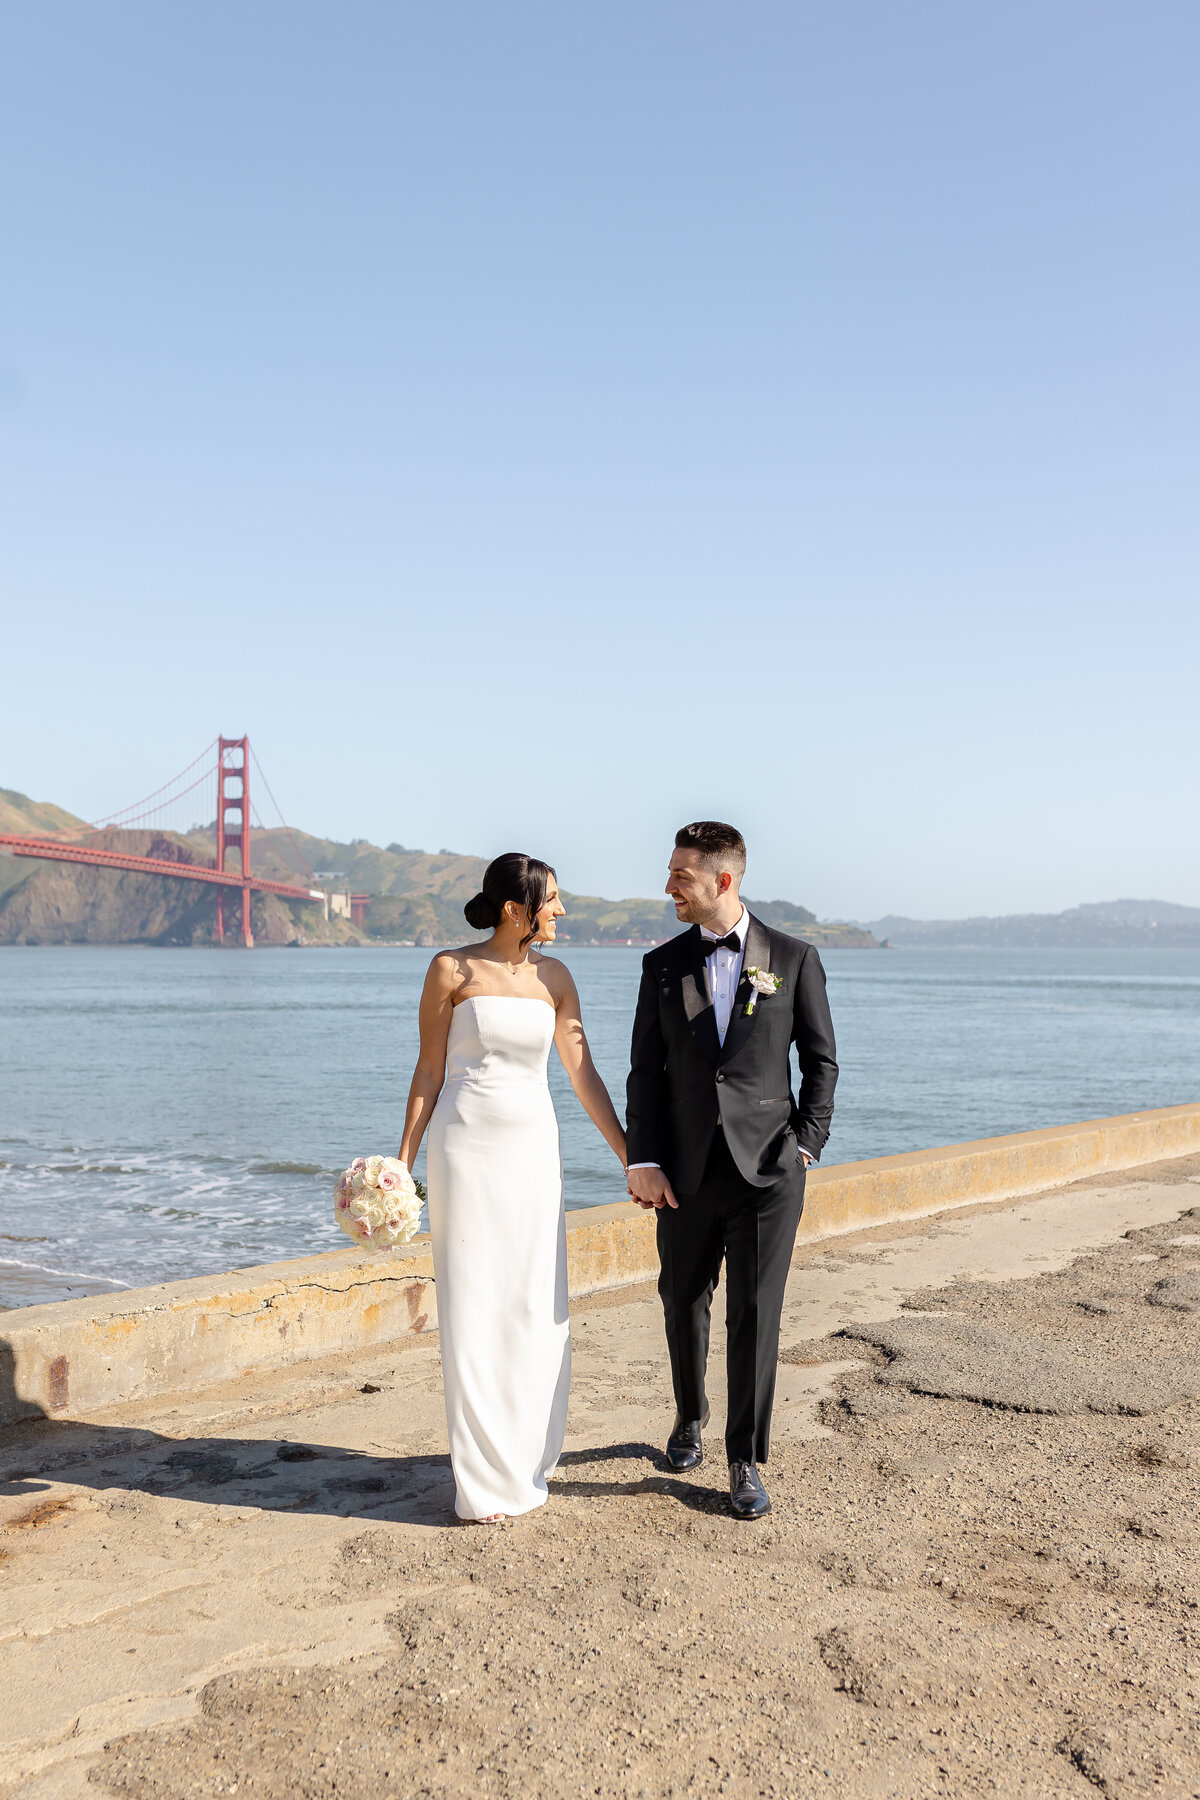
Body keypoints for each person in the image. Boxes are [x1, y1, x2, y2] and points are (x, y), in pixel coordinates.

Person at [397, 853, 627, 1524]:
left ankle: (527, 1457)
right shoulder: (450, 969)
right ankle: (483, 1485)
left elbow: (583, 1075)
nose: (561, 912)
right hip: (464, 1149)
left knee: (532, 1305)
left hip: (533, 1152)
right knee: (474, 1309)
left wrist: (628, 1155)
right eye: (551, 901)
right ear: (514, 909)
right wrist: (400, 1170)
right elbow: (428, 1072)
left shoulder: (556, 978)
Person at [625, 821, 838, 1520]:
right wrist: (645, 1159)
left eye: (680, 877)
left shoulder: (795, 957)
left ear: (723, 880)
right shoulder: (662, 965)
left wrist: (806, 1141)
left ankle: (743, 1459)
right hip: (682, 1173)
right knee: (681, 1299)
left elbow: (821, 1059)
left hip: (768, 1172)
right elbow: (644, 1074)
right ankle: (690, 1414)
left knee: (755, 1313)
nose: (668, 888)